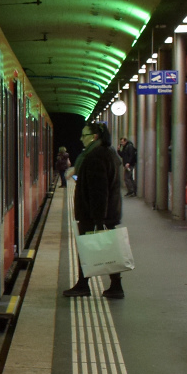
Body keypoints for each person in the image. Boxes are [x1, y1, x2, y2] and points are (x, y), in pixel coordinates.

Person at [64, 122, 125, 299]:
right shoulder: (108, 152)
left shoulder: (95, 156)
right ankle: (115, 286)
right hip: (107, 212)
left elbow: (100, 190)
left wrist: (99, 220)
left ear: (94, 137)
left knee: (86, 249)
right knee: (108, 249)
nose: (81, 139)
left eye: (84, 135)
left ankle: (84, 286)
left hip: (95, 214)